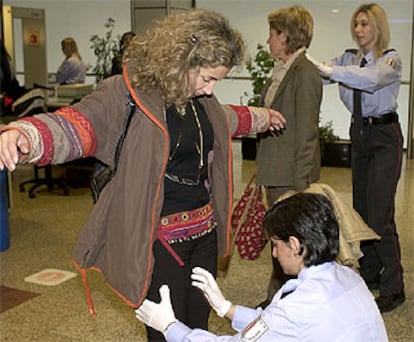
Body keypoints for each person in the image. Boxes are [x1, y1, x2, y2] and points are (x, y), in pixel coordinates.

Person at [0, 9, 286, 342]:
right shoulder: (125, 94)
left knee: (198, 326)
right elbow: (77, 124)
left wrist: (264, 117)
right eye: (207, 78)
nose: (210, 89)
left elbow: (225, 119)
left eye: (215, 82)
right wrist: (25, 134)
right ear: (182, 62)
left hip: (203, 235)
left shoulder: (200, 100)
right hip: (160, 240)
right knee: (165, 330)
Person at [135, 193, 389, 341]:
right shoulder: (349, 277)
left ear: (295, 244)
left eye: (275, 245)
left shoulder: (298, 306)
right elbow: (279, 327)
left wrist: (170, 326)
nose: (275, 254)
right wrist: (227, 309)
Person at [306, 3, 404, 312]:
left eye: (365, 24)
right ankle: (372, 274)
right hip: (359, 135)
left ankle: (394, 286)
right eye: (356, 24)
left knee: (379, 213)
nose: (359, 30)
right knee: (362, 210)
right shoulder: (348, 58)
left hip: (385, 136)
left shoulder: (391, 59)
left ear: (378, 28)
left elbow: (369, 79)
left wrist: (331, 71)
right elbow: (320, 76)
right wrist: (300, 64)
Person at [255, 5, 322, 306]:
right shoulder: (282, 70)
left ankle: (283, 304)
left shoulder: (305, 73)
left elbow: (307, 133)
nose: (268, 40)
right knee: (280, 244)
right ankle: (277, 300)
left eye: (272, 34)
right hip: (276, 171)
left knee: (290, 246)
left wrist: (301, 188)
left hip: (290, 177)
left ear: (285, 36)